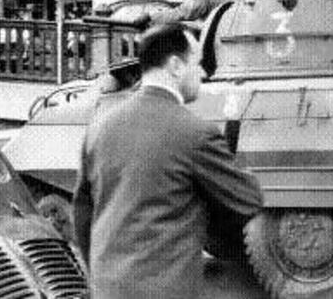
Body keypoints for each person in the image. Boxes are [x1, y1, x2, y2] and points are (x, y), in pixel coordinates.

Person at [73, 23, 263, 299]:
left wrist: (100, 274)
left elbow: (82, 211)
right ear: (175, 66)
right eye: (197, 62)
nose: (204, 72)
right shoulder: (195, 134)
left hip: (107, 287)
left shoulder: (100, 125)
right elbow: (249, 198)